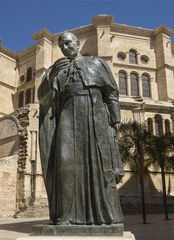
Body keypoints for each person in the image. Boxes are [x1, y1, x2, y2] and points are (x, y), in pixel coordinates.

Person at [38, 32, 124, 225]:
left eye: (69, 44)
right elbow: (43, 100)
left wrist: (116, 119)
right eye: (62, 46)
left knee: (99, 165)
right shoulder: (55, 70)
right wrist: (51, 76)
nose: (66, 48)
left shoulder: (96, 63)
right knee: (65, 164)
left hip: (95, 116)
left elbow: (111, 94)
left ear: (77, 43)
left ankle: (102, 215)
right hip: (67, 117)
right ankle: (66, 216)